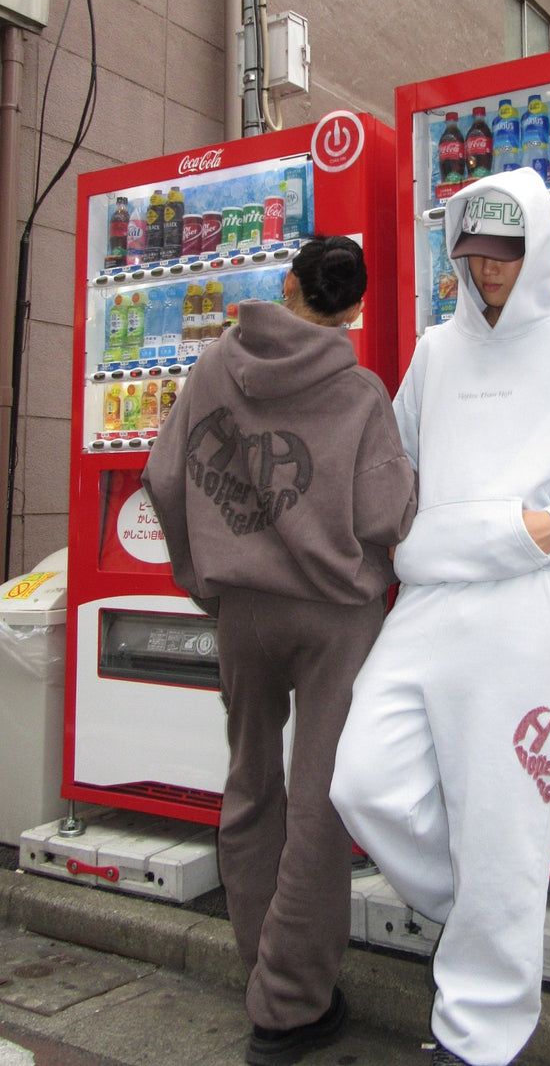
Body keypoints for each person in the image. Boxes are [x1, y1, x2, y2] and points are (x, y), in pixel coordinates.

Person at [331, 169, 550, 1066]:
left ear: (539, 247)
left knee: (506, 820)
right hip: (430, 598)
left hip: (522, 601)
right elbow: (395, 462)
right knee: (361, 780)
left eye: (506, 253)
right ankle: (483, 908)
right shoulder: (437, 350)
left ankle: (479, 1041)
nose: (489, 272)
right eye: (474, 253)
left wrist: (545, 526)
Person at [141, 235, 417, 1066]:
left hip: (243, 611)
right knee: (318, 800)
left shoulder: (214, 368)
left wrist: (208, 580)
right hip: (335, 619)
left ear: (287, 284)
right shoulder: (361, 391)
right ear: (354, 310)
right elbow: (386, 516)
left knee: (250, 787)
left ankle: (263, 971)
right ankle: (290, 1005)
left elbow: (162, 476)